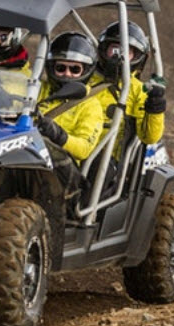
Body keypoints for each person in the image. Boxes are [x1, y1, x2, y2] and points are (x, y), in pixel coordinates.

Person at [34, 32, 105, 200]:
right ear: (51, 68)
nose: (67, 74)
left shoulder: (90, 105)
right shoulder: (36, 89)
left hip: (63, 169)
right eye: (61, 68)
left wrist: (59, 135)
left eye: (74, 69)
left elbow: (84, 149)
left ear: (86, 71)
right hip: (28, 155)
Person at [91, 21, 165, 156]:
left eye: (126, 52)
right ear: (104, 49)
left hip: (106, 158)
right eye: (115, 49)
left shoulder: (139, 91)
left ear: (136, 57)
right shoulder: (83, 78)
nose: (119, 56)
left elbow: (149, 137)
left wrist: (155, 110)